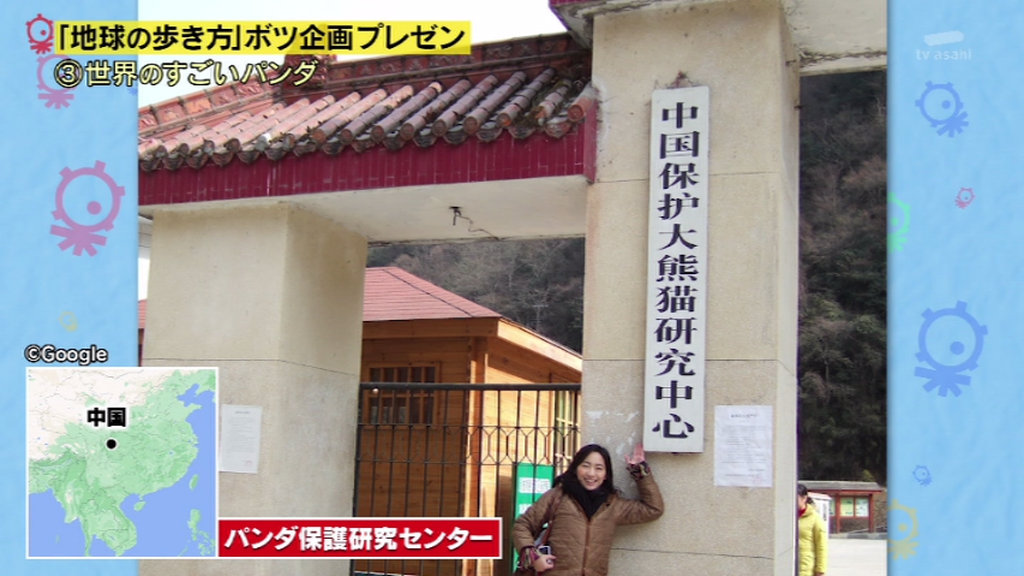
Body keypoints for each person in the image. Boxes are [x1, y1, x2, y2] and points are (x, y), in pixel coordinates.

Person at [513, 443, 663, 576]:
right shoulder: (558, 496)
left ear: (606, 475)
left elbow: (653, 509)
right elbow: (522, 525)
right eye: (585, 466)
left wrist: (639, 471)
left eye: (599, 468)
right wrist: (533, 557)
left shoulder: (613, 505)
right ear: (576, 468)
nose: (591, 473)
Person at [797, 483, 827, 576]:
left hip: (805, 569)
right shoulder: (786, 517)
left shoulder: (815, 518)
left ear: (804, 498)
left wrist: (820, 570)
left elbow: (821, 545)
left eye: (796, 499)